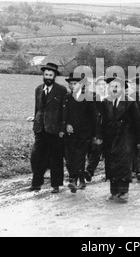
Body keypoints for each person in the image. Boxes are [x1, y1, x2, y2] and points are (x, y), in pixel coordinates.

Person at [98, 76, 140, 202]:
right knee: (111, 163)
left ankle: (123, 191)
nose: (114, 89)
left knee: (123, 164)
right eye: (111, 86)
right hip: (110, 138)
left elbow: (138, 123)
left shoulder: (130, 102)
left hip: (126, 138)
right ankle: (113, 191)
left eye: (117, 86)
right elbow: (102, 122)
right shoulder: (106, 102)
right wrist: (100, 137)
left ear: (122, 89)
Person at [29, 62, 67, 193]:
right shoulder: (38, 89)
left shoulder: (61, 90)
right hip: (40, 129)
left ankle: (56, 185)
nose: (48, 77)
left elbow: (64, 112)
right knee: (37, 157)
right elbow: (37, 108)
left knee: (56, 158)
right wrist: (35, 124)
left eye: (51, 75)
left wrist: (62, 129)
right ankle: (36, 184)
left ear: (55, 76)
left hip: (55, 130)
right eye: (46, 74)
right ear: (43, 75)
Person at [63, 73, 99, 193]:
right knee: (69, 157)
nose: (73, 86)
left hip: (84, 133)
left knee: (79, 156)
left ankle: (73, 179)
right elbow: (63, 115)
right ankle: (80, 179)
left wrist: (95, 134)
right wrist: (66, 124)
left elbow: (94, 117)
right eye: (71, 84)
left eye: (75, 84)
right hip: (70, 133)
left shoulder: (87, 97)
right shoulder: (66, 97)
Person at [84, 76, 107, 182]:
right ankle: (89, 171)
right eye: (100, 84)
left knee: (105, 151)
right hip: (94, 128)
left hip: (107, 128)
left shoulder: (109, 98)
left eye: (104, 84)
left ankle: (107, 172)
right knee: (94, 149)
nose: (102, 87)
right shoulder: (93, 97)